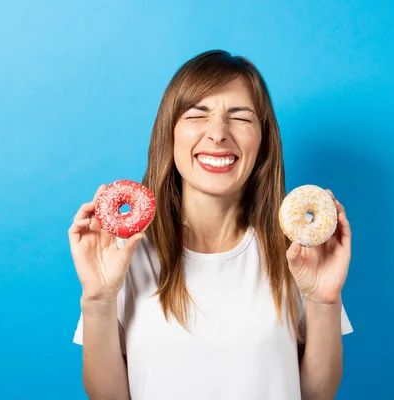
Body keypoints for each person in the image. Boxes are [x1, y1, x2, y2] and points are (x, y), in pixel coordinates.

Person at [69, 49, 353, 400]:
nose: (218, 134)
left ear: (262, 143)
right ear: (169, 135)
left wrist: (325, 301)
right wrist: (98, 298)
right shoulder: (125, 257)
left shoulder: (296, 255)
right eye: (196, 115)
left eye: (241, 118)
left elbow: (316, 395)